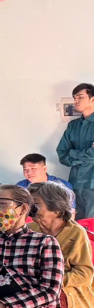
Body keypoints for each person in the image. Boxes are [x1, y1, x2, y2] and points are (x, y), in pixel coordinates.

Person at [30, 182, 94, 308]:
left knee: (40, 303)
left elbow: (85, 275)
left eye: (36, 204)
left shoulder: (76, 233)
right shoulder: (31, 230)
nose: (30, 208)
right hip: (37, 286)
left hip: (70, 289)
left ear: (56, 210)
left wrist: (53, 280)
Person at [57, 83, 94, 218]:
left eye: (80, 97)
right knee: (76, 227)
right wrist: (88, 152)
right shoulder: (73, 126)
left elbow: (69, 153)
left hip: (92, 183)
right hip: (75, 184)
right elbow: (62, 154)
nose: (76, 101)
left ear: (93, 99)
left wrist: (73, 153)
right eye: (74, 98)